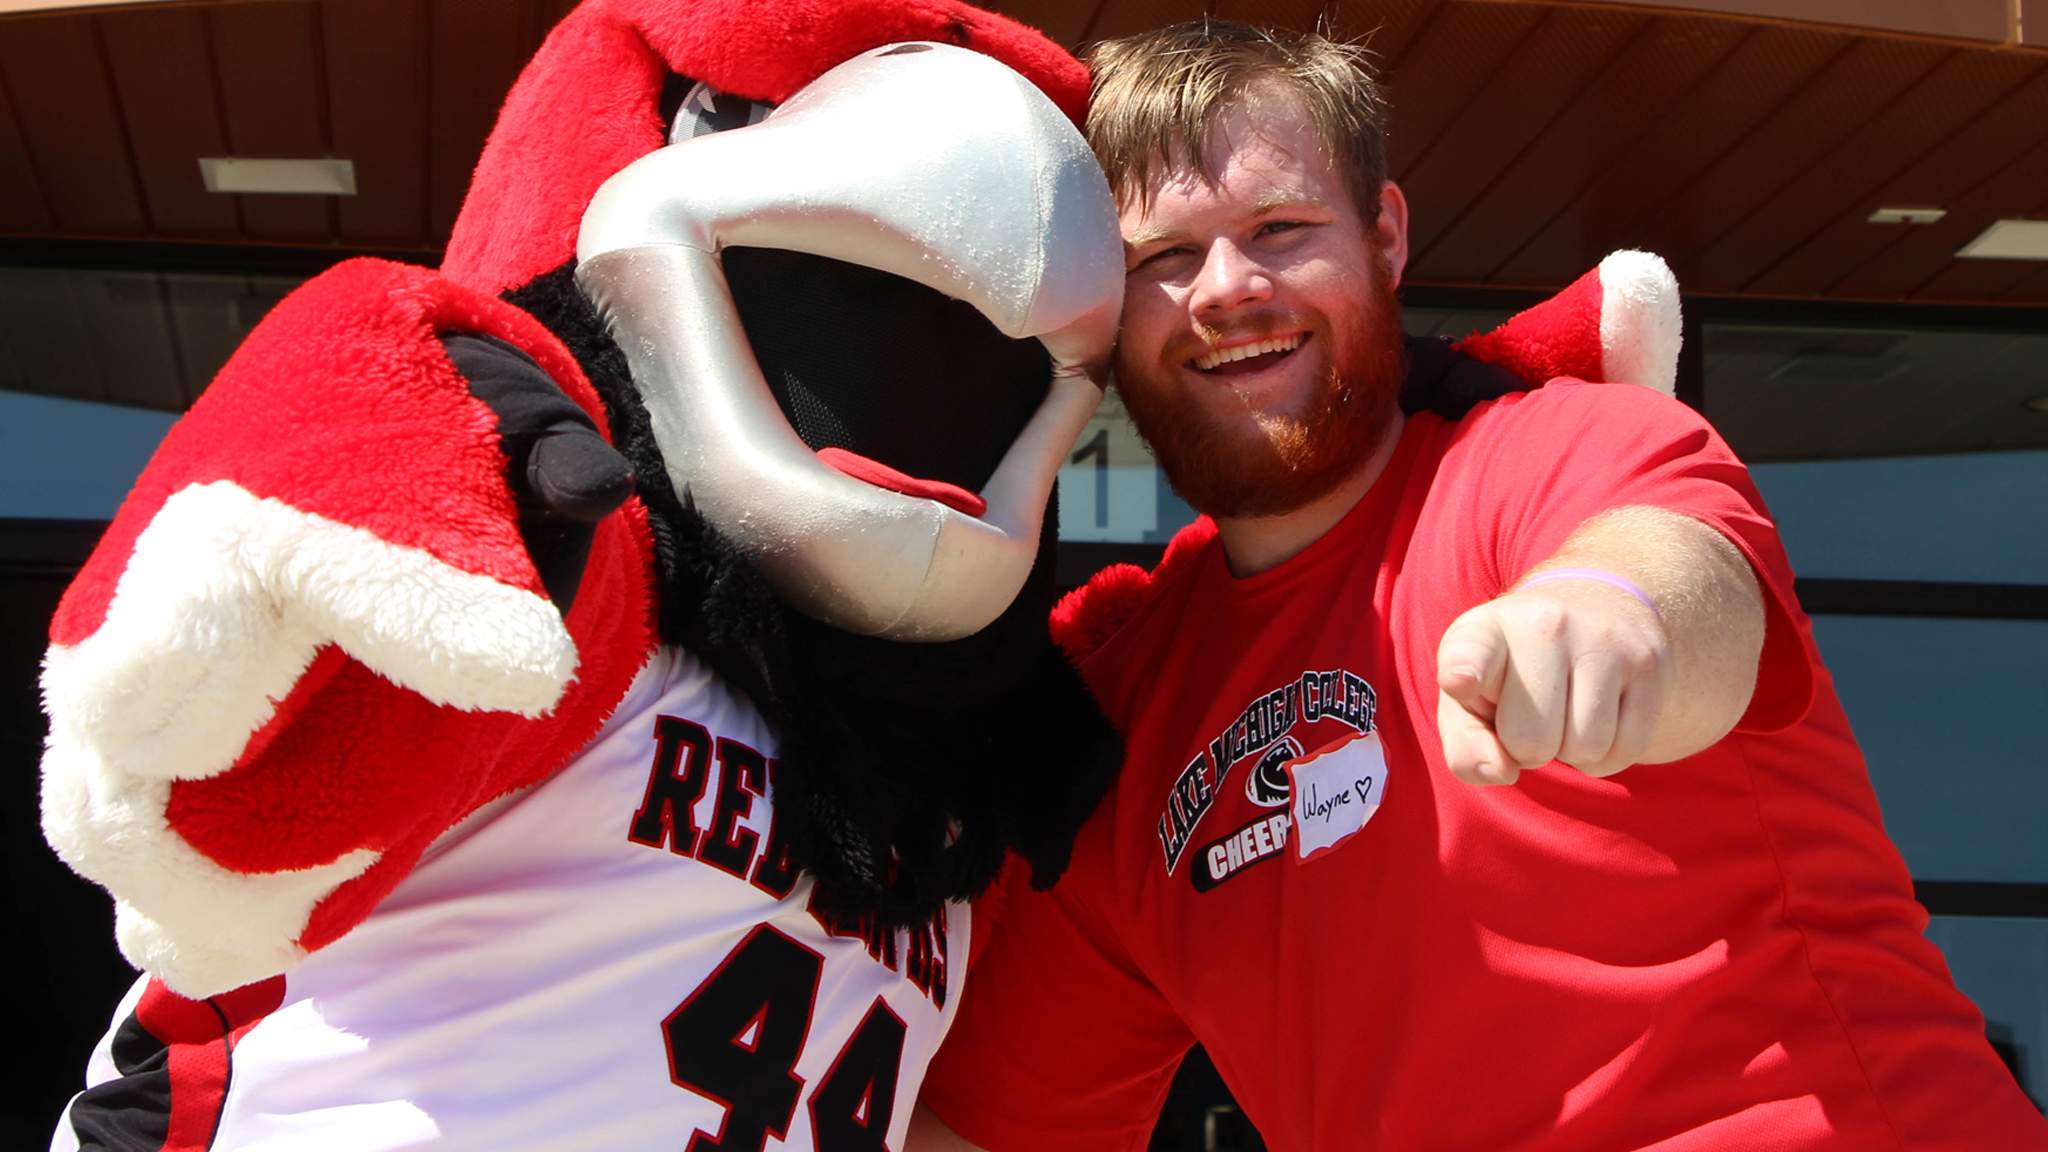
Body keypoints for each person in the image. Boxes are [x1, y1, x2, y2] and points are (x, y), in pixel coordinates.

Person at [909, 20, 2048, 1151]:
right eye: (1163, 257)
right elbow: (989, 1127)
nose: (1226, 288)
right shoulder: (1126, 720)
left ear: (1384, 236)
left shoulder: (1565, 449)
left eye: (1280, 228)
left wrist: (1602, 618)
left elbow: (1679, 574)